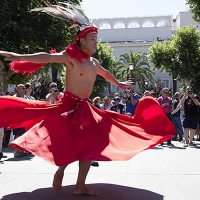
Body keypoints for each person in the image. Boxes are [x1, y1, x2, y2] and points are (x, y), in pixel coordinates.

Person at [0, 1, 175, 196]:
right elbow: (47, 58)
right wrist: (18, 55)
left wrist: (120, 84)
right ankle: (61, 170)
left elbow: (106, 73)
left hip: (85, 108)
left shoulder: (94, 62)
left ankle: (80, 185)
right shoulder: (71, 57)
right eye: (92, 39)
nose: (95, 43)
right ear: (82, 40)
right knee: (69, 142)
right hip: (67, 106)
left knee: (89, 146)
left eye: (96, 39)